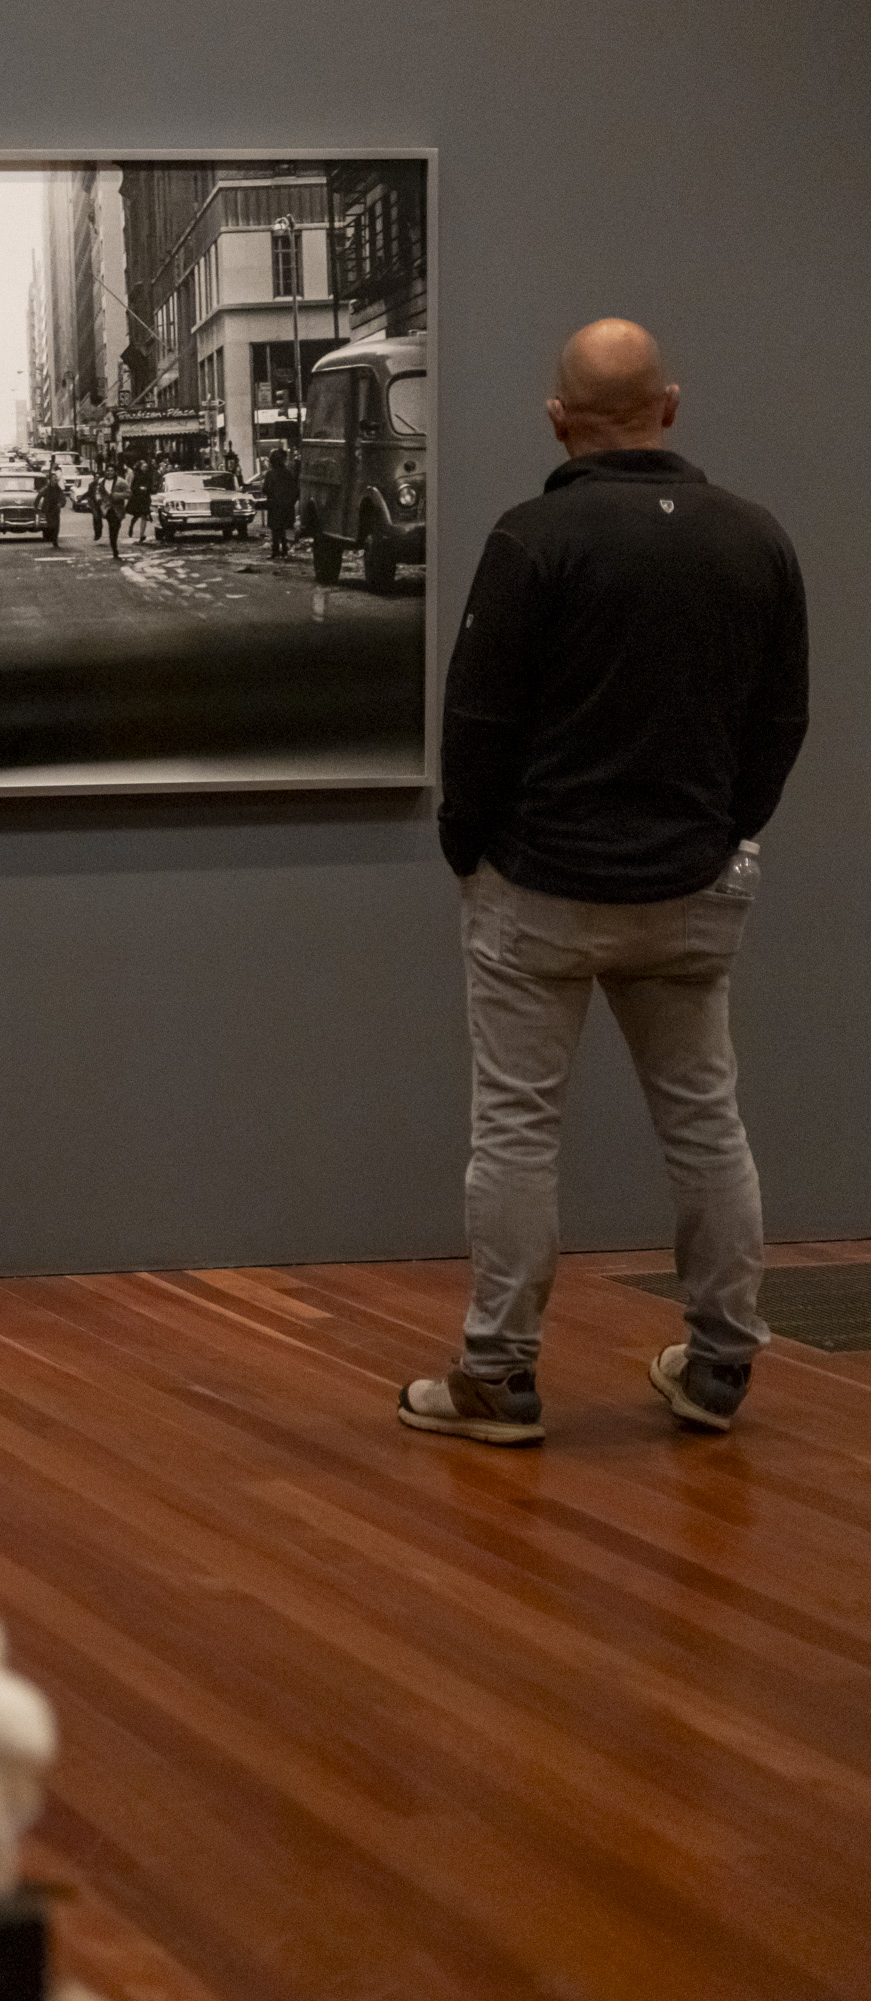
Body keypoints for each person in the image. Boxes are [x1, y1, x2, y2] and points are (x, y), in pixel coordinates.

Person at [399, 319, 808, 1446]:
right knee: (706, 1122)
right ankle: (721, 1364)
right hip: (695, 887)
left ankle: (499, 1376)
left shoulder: (535, 540)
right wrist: (726, 834)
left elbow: (477, 723)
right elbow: (782, 720)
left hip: (540, 890)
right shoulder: (755, 540)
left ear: (557, 418)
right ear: (668, 406)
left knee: (518, 1132)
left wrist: (469, 849)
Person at [260, 443, 299, 561]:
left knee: (275, 530)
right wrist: (290, 502)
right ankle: (284, 551)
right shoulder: (288, 474)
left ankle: (276, 551)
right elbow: (295, 490)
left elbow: (265, 489)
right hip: (286, 506)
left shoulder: (270, 474)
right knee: (282, 529)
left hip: (274, 505)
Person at [37, 467, 66, 549]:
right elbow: (39, 496)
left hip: (56, 510)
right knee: (51, 525)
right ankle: (51, 538)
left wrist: (61, 504)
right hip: (48, 509)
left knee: (56, 526)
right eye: (53, 479)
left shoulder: (58, 489)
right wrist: (36, 506)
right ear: (50, 480)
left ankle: (55, 542)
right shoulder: (46, 488)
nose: (54, 481)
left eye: (55, 479)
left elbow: (62, 498)